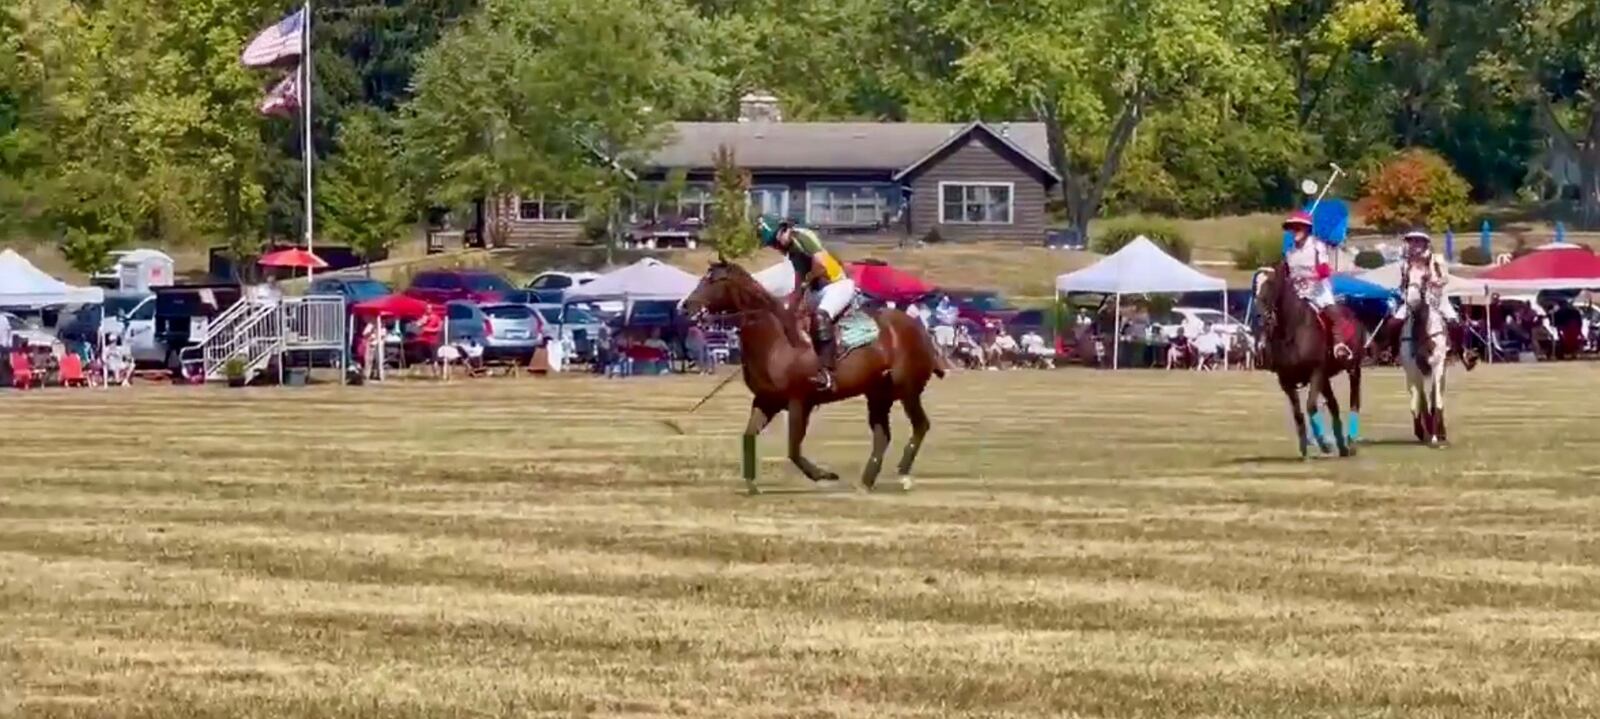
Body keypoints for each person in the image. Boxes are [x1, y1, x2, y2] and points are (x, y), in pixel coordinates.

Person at [756, 215, 857, 390]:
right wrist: (788, 305)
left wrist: (805, 283)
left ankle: (828, 372)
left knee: (820, 317)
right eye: (771, 244)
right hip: (816, 290)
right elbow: (798, 281)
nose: (775, 247)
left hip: (836, 285)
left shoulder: (802, 236)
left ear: (783, 230)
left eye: (774, 241)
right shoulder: (792, 253)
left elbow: (820, 265)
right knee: (792, 319)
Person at [1283, 210, 1357, 359]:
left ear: (1307, 229)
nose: (1295, 231)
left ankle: (1339, 345)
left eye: (1299, 227)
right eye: (1293, 227)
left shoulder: (1317, 246)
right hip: (1298, 293)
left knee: (1335, 316)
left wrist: (1314, 275)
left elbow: (1324, 270)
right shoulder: (1290, 252)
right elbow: (1287, 274)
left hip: (1318, 291)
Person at [1386, 228, 1461, 340]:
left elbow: (1445, 278)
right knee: (1393, 324)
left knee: (1454, 322)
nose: (1414, 244)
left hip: (1436, 298)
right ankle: (1391, 350)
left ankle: (1460, 351)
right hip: (1411, 299)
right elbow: (1402, 281)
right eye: (1412, 241)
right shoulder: (1405, 263)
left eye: (1418, 240)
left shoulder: (1436, 259)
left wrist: (1435, 283)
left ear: (1425, 243)